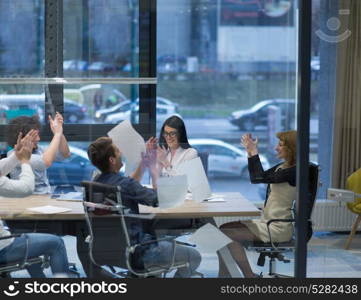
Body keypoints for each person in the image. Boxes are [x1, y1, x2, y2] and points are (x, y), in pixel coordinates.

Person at [86, 137, 201, 277]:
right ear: (112, 160)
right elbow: (158, 199)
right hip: (140, 252)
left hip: (108, 252)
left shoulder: (95, 184)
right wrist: (158, 170)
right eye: (117, 151)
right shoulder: (125, 185)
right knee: (194, 256)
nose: (120, 152)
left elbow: (128, 186)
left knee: (155, 260)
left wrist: (144, 162)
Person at [217, 130, 297, 278]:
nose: (276, 148)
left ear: (291, 148)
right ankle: (224, 275)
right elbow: (257, 178)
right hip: (267, 222)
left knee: (225, 234)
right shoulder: (283, 167)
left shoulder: (295, 171)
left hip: (277, 227)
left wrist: (253, 151)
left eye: (280, 145)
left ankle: (248, 276)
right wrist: (250, 152)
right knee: (223, 228)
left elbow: (259, 177)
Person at [0, 130, 71, 277]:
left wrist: (17, 155)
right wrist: (25, 161)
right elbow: (26, 188)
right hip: (4, 247)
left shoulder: (36, 151)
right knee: (56, 243)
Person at [7, 113, 71, 194]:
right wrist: (57, 135)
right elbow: (45, 162)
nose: (38, 139)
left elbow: (65, 154)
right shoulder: (14, 155)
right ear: (21, 137)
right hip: (27, 200)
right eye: (34, 135)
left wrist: (59, 132)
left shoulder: (39, 149)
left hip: (45, 196)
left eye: (38, 134)